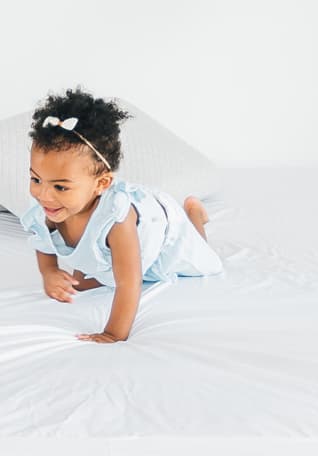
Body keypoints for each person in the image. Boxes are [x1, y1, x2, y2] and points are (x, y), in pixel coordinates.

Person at [21, 88, 223, 343]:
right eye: (36, 179)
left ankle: (195, 215)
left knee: (204, 262)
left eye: (60, 186)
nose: (44, 195)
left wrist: (113, 333)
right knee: (79, 283)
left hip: (162, 235)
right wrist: (49, 272)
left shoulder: (117, 218)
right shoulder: (49, 205)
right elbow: (44, 240)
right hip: (109, 250)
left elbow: (129, 282)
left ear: (101, 184)